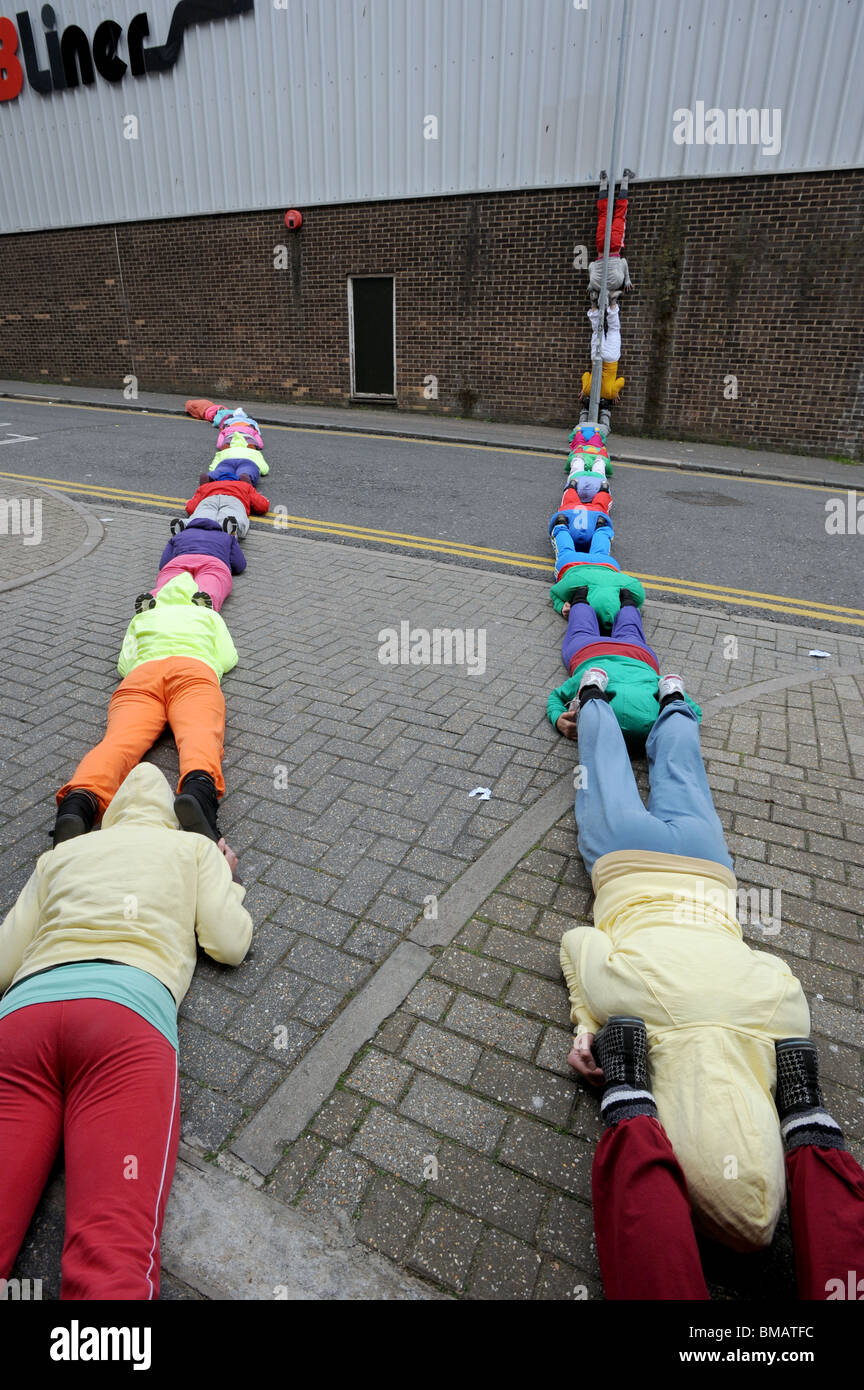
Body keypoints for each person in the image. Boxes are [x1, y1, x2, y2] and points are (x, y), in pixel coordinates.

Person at [558, 678, 864, 1291]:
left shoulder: (785, 1016)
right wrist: (587, 1021)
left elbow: (776, 970)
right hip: (625, 863)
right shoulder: (632, 1007)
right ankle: (594, 696)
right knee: (605, 767)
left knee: (682, 773)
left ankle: (674, 700)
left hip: (708, 869)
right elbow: (576, 942)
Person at [0, 763, 252, 1300]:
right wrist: (227, 879)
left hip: (23, 1022)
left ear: (110, 817)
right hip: (122, 1021)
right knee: (112, 1253)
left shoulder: (59, 856)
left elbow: (3, 963)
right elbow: (229, 944)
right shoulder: (193, 851)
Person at [53, 572, 238, 844]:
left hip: (142, 677)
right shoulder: (208, 616)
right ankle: (198, 791)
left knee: (118, 742)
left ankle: (80, 801)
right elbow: (227, 656)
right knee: (199, 734)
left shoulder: (143, 617)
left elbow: (124, 663)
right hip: (192, 672)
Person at [549, 587, 700, 743]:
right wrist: (558, 718)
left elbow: (694, 711)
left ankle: (627, 601)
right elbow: (556, 697)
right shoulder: (591, 682)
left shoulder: (659, 687)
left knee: (630, 631)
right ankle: (580, 598)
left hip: (638, 655)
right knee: (581, 629)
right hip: (589, 651)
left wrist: (557, 718)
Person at [154, 516, 247, 612]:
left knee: (170, 581)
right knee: (211, 583)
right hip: (213, 563)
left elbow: (163, 563)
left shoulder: (180, 535)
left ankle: (156, 599)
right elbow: (239, 565)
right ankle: (205, 601)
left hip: (180, 561)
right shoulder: (226, 537)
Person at [178, 475, 270, 540]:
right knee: (235, 516)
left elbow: (191, 508)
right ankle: (232, 526)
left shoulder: (206, 486)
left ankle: (185, 524)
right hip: (234, 500)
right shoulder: (244, 485)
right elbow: (261, 506)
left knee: (202, 515)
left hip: (210, 499)